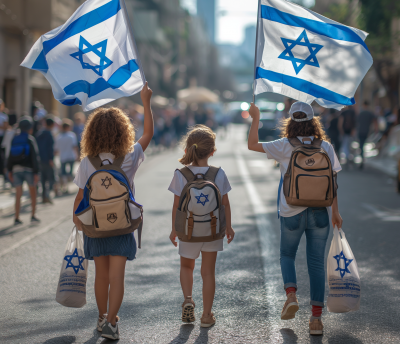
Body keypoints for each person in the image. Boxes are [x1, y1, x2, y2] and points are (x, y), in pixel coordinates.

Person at [248, 101, 343, 336]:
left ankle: (291, 294)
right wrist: (336, 212)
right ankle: (316, 320)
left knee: (287, 255)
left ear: (291, 121)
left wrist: (255, 118)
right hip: (320, 212)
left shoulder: (284, 145)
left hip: (291, 210)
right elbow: (332, 183)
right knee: (316, 264)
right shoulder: (326, 148)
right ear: (313, 122)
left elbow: (251, 145)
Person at [73, 83, 153, 341]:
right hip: (122, 224)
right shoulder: (129, 157)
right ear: (123, 131)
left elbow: (79, 197)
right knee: (117, 277)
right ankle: (111, 323)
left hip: (95, 226)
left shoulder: (87, 162)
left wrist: (77, 221)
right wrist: (146, 101)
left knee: (102, 276)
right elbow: (149, 134)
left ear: (92, 134)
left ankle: (101, 316)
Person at [168, 125, 235, 328]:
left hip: (188, 230)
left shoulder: (181, 174)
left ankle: (188, 299)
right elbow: (225, 204)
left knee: (186, 266)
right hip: (212, 230)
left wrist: (174, 229)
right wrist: (228, 227)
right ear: (213, 151)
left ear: (188, 149)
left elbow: (177, 205)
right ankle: (207, 315)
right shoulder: (218, 174)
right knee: (208, 272)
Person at [7, 117, 40, 224]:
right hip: (29, 170)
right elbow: (35, 157)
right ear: (30, 128)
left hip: (16, 170)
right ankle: (33, 215)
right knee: (33, 193)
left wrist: (9, 170)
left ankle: (16, 217)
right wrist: (36, 172)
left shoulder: (14, 138)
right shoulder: (30, 139)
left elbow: (10, 156)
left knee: (18, 194)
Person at [36, 116, 56, 204]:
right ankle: (47, 196)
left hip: (39, 159)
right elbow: (50, 148)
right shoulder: (49, 134)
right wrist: (51, 159)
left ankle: (43, 197)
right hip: (48, 160)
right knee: (51, 179)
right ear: (52, 124)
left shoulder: (39, 133)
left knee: (43, 179)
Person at [55, 119, 78, 192]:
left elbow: (56, 149)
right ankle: (67, 186)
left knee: (63, 173)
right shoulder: (71, 135)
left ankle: (64, 187)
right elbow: (74, 146)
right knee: (70, 172)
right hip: (71, 155)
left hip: (63, 156)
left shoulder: (58, 137)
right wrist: (77, 155)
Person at [357, 101, 377, 167]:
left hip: (360, 131)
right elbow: (374, 121)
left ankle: (362, 157)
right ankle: (362, 157)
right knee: (363, 145)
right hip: (367, 131)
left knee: (361, 145)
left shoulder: (361, 113)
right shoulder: (370, 113)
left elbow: (357, 122)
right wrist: (375, 130)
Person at [0, 99, 9, 179]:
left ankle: (3, 173)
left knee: (2, 156)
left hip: (2, 138)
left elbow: (5, 127)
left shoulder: (4, 116)